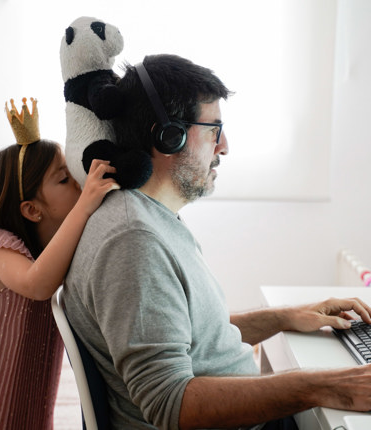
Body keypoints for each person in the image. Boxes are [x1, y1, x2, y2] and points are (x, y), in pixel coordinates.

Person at [63, 54, 371, 430]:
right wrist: (321, 386)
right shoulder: (134, 241)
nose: (223, 146)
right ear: (168, 136)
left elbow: (192, 335)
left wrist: (285, 316)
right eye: (213, 129)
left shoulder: (146, 219)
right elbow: (168, 402)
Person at [0, 98, 119, 430]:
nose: (79, 184)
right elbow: (37, 285)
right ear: (32, 210)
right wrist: (84, 205)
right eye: (64, 179)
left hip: (29, 391)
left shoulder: (48, 249)